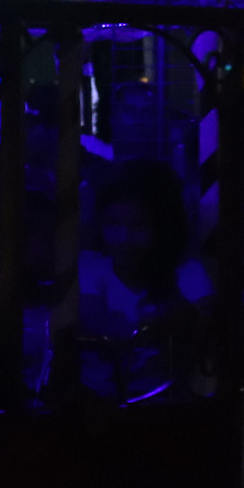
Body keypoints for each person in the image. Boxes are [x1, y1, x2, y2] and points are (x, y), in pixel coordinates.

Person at [76, 159, 213, 399]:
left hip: (166, 403)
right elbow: (94, 321)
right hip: (96, 405)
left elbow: (209, 323)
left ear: (162, 227)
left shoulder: (187, 272)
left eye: (138, 225)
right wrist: (154, 324)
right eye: (112, 224)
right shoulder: (92, 269)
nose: (123, 238)